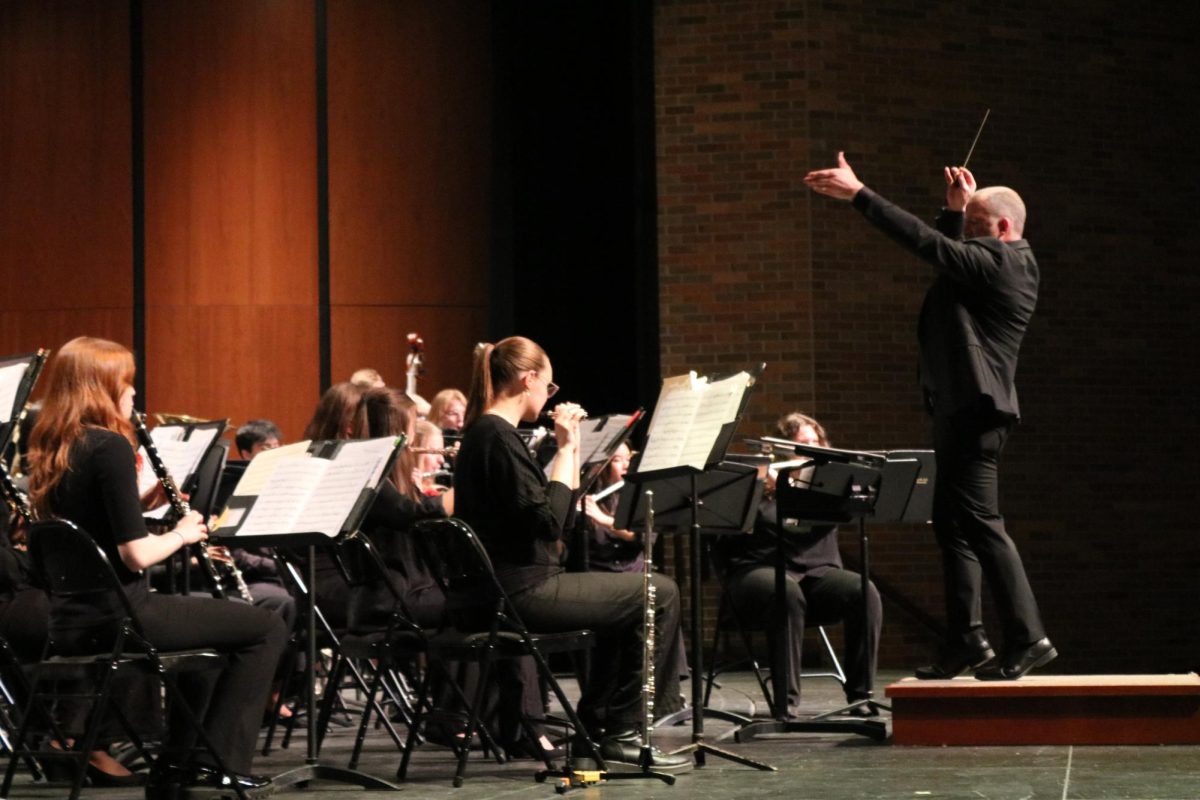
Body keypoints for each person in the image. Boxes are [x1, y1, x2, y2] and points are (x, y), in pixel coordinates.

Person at [804, 153, 1055, 681]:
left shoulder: (1004, 264)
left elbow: (931, 247)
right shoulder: (992, 261)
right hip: (961, 410)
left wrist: (860, 194)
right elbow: (949, 256)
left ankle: (1029, 637)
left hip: (977, 414)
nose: (967, 236)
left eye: (976, 228)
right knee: (955, 528)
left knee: (983, 526)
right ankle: (967, 639)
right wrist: (956, 213)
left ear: (1003, 229)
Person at [25, 336, 287, 798]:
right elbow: (135, 555)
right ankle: (215, 763)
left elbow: (92, 530)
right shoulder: (109, 446)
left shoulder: (54, 447)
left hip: (70, 621)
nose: (132, 394)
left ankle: (178, 768)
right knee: (266, 626)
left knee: (211, 638)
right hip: (122, 616)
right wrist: (183, 533)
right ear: (101, 387)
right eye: (126, 384)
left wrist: (146, 505)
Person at [453, 336, 690, 771]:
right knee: (660, 592)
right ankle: (618, 733)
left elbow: (542, 515)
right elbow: (550, 523)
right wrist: (564, 450)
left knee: (629, 601)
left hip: (503, 589)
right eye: (548, 385)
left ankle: (598, 732)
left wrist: (574, 451)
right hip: (521, 591)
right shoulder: (497, 437)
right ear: (529, 379)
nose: (548, 395)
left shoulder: (486, 434)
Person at [712, 412, 882, 715]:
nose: (813, 448)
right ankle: (785, 704)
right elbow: (729, 532)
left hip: (815, 574)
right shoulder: (758, 483)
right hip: (757, 571)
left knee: (864, 592)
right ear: (783, 451)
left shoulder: (828, 485)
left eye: (816, 442)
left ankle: (860, 695)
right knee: (785, 592)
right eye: (804, 444)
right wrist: (773, 488)